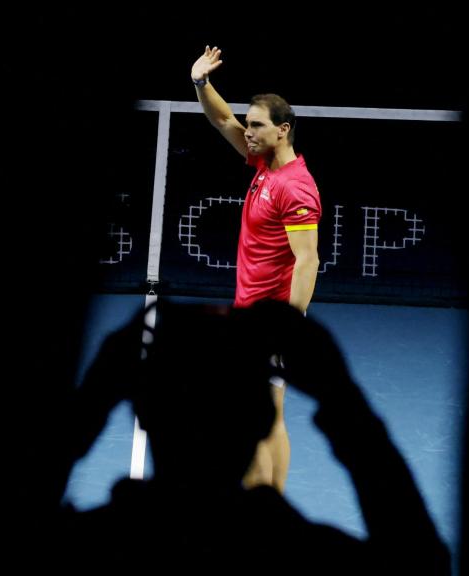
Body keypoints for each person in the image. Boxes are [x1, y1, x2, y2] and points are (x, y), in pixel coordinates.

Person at [56, 300, 450, 572]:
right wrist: (340, 392)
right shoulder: (305, 557)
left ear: (139, 406)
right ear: (265, 417)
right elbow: (420, 563)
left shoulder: (90, 547)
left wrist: (91, 400)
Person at [191, 45, 322, 492]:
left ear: (282, 131)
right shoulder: (264, 163)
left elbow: (309, 260)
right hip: (256, 317)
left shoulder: (296, 188)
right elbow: (222, 120)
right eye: (250, 125)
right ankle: (275, 504)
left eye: (258, 126)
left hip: (268, 322)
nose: (248, 132)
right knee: (271, 418)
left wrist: (289, 327)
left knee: (245, 423)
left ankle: (253, 517)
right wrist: (201, 83)